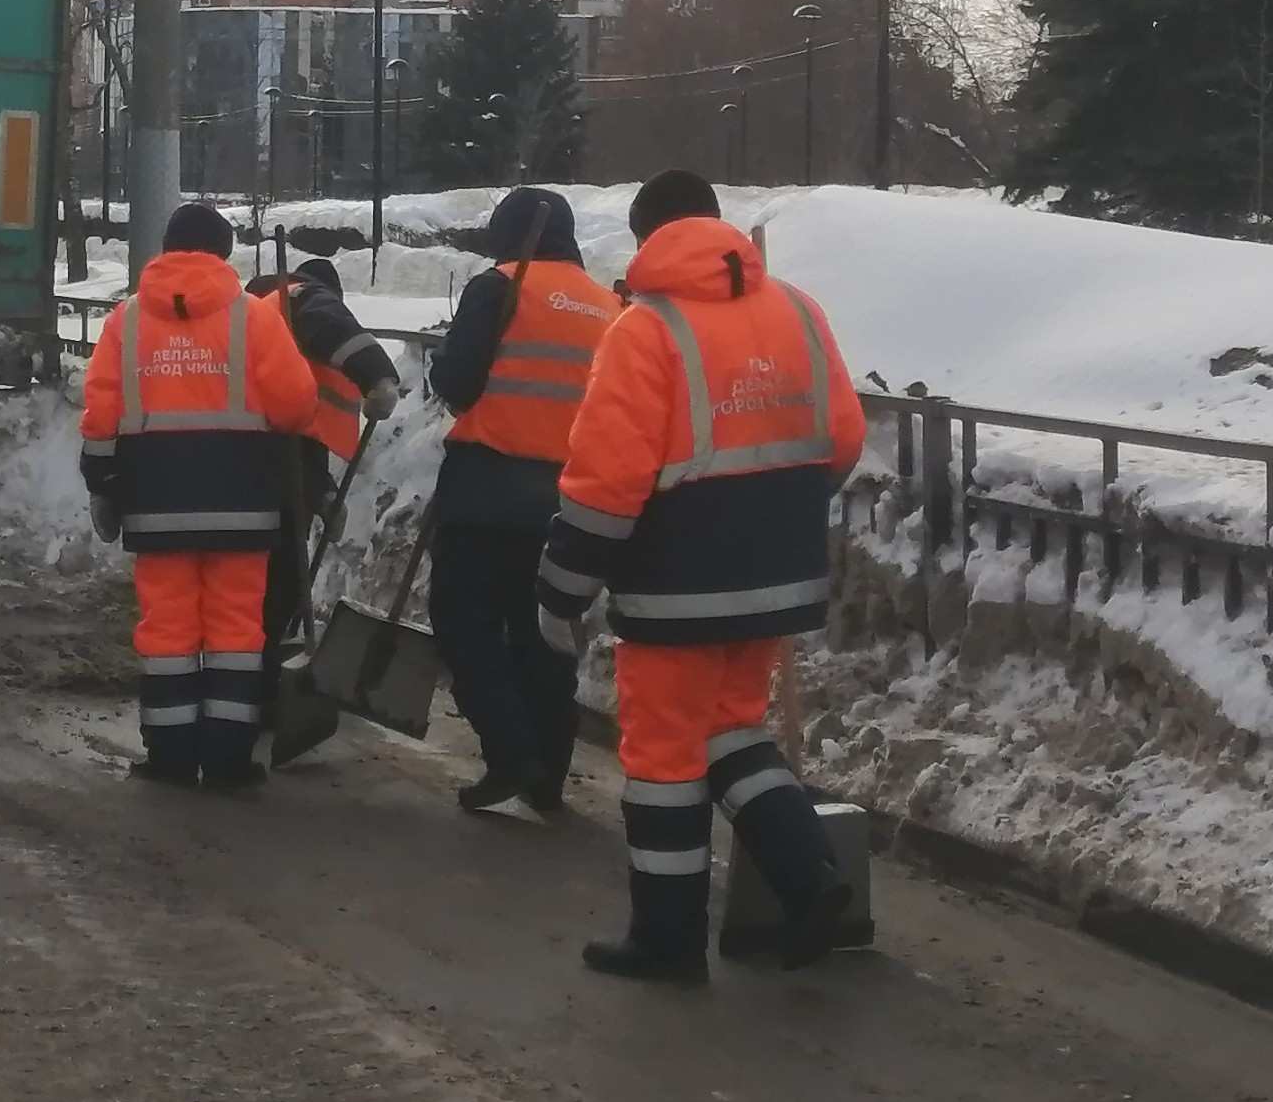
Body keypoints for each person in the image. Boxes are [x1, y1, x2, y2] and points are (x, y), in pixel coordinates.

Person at [536, 169, 869, 984]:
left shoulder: (643, 331)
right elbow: (844, 436)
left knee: (663, 759)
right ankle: (812, 880)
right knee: (731, 730)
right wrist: (774, 516)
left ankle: (667, 939)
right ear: (716, 225)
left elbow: (605, 485)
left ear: (646, 239)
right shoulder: (797, 309)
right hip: (775, 579)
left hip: (675, 586)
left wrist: (560, 592)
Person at [77, 202, 323, 787]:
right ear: (223, 251)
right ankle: (230, 759)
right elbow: (295, 406)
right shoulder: (256, 318)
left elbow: (101, 413)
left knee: (167, 629)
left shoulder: (126, 321)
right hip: (243, 502)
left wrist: (102, 485)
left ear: (165, 249)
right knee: (237, 629)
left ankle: (170, 754)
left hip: (156, 502)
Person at [422, 185, 610, 816]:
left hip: (489, 487)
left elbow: (456, 383)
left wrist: (446, 360)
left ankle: (510, 750)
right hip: (570, 497)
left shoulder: (500, 285)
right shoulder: (607, 304)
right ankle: (548, 775)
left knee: (462, 621)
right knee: (542, 634)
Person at [254, 248, 404, 754]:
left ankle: (246, 685)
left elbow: (303, 436)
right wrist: (377, 375)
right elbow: (326, 317)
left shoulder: (264, 324)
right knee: (273, 588)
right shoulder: (293, 298)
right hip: (259, 473)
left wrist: (321, 497)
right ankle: (251, 693)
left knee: (266, 591)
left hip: (249, 469)